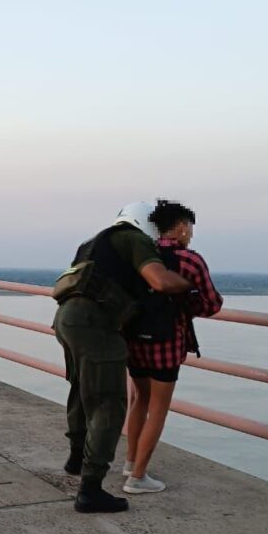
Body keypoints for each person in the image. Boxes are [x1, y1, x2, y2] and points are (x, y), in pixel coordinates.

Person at [53, 202, 192, 513]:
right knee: (109, 403)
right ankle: (91, 490)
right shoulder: (135, 239)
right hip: (95, 324)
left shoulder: (92, 242)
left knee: (80, 388)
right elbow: (160, 280)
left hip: (66, 318)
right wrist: (190, 285)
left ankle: (77, 458)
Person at [124, 199, 223, 494]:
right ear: (180, 227)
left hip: (134, 339)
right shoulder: (190, 260)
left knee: (139, 399)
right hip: (166, 343)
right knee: (159, 409)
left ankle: (130, 462)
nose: (190, 234)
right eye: (189, 227)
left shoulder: (142, 255)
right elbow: (212, 304)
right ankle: (137, 478)